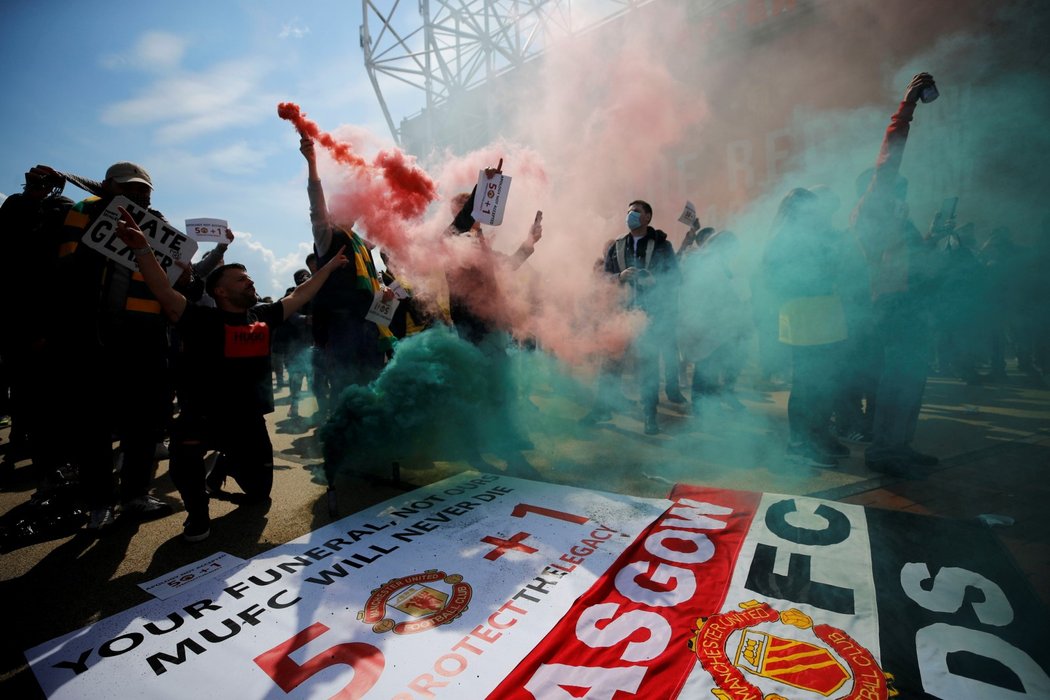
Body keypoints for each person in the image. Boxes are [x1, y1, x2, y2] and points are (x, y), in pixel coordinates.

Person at [112, 207, 350, 541]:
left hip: (248, 420)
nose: (250, 281)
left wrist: (327, 268)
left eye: (250, 277)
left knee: (258, 496)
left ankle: (225, 464)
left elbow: (301, 294)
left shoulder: (263, 316)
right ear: (220, 292)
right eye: (241, 279)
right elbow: (163, 292)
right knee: (184, 456)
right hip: (203, 417)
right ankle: (197, 513)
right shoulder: (200, 320)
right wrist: (141, 248)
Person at [55, 161, 175, 530]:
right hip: (96, 332)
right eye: (129, 188)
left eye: (144, 190)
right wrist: (108, 236)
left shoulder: (158, 223)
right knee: (94, 423)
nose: (138, 194)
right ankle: (99, 502)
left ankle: (135, 495)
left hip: (147, 334)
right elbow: (66, 266)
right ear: (108, 186)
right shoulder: (84, 210)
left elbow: (171, 278)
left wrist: (185, 275)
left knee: (144, 422)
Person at [851, 72, 941, 476]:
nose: (901, 198)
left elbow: (914, 262)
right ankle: (885, 451)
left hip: (910, 305)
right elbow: (889, 157)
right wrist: (906, 109)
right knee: (895, 382)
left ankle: (899, 446)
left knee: (912, 378)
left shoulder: (901, 223)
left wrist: (934, 239)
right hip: (886, 306)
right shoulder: (873, 207)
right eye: (895, 192)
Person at [298, 135, 393, 421]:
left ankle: (369, 444)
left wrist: (383, 294)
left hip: (370, 327)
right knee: (345, 390)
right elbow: (316, 207)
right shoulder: (328, 237)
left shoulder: (361, 245)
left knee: (372, 386)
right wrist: (312, 163)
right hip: (342, 328)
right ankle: (344, 450)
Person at [763, 188, 850, 468]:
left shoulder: (818, 234)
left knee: (826, 381)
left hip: (825, 312)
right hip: (802, 315)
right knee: (806, 383)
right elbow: (776, 280)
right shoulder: (783, 238)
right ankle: (799, 445)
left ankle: (820, 434)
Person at [0, 166, 73, 482]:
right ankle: (20, 439)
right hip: (18, 311)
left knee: (46, 389)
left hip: (49, 311)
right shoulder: (16, 205)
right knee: (22, 382)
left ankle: (37, 448)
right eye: (34, 181)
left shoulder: (62, 208)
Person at [582, 200, 679, 435]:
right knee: (610, 365)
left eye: (635, 212)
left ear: (648, 217)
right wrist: (619, 277)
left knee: (648, 367)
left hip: (649, 316)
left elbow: (676, 278)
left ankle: (649, 416)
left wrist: (654, 280)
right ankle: (601, 408)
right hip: (621, 316)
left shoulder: (662, 246)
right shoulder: (616, 246)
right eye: (628, 212)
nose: (630, 216)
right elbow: (603, 280)